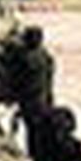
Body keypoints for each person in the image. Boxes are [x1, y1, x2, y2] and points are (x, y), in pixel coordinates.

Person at [10, 24, 56, 152]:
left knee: (32, 134)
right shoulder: (46, 57)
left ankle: (35, 158)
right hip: (45, 100)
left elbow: (18, 81)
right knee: (41, 133)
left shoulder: (25, 58)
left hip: (31, 103)